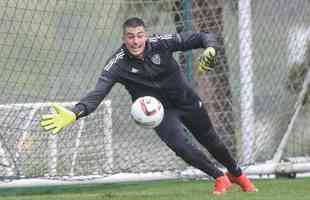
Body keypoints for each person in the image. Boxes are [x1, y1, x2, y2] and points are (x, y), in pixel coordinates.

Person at [40, 17, 257, 195]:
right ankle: (219, 176)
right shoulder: (117, 63)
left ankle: (236, 173)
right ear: (123, 38)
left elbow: (203, 37)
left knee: (213, 142)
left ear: (145, 35)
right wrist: (75, 112)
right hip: (159, 113)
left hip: (186, 101)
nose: (135, 41)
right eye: (130, 37)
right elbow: (97, 93)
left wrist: (210, 49)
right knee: (180, 147)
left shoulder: (161, 43)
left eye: (139, 35)